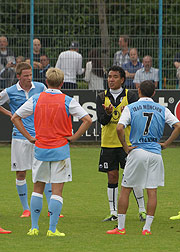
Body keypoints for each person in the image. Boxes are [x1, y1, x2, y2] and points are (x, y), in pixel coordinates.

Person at [11, 67, 92, 237]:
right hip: (60, 150)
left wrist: (29, 137)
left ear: (46, 82)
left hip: (41, 149)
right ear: (62, 83)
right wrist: (74, 137)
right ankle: (52, 229)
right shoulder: (67, 100)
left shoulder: (36, 98)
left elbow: (15, 117)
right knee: (57, 191)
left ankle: (34, 227)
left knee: (37, 188)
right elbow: (87, 119)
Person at [107, 80, 180, 236]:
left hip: (138, 151)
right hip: (155, 153)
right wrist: (166, 143)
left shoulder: (131, 108)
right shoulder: (162, 109)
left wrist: (125, 147)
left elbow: (119, 128)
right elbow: (178, 126)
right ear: (154, 93)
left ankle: (120, 228)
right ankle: (147, 228)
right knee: (152, 191)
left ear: (138, 91)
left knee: (126, 189)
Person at [96, 65, 146, 222]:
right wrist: (108, 113)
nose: (111, 79)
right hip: (108, 143)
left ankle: (142, 210)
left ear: (122, 80)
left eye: (115, 77)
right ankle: (113, 212)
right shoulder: (101, 96)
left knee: (133, 177)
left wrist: (128, 114)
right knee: (112, 176)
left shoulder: (130, 96)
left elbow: (138, 119)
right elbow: (102, 121)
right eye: (109, 76)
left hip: (127, 143)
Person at [0, 62, 49, 218]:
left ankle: (50, 209)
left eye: (30, 75)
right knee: (21, 173)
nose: (29, 78)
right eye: (26, 76)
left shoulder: (41, 87)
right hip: (20, 137)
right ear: (19, 76)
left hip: (40, 136)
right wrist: (10, 114)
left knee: (44, 171)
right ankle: (26, 209)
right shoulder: (10, 91)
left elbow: (51, 101)